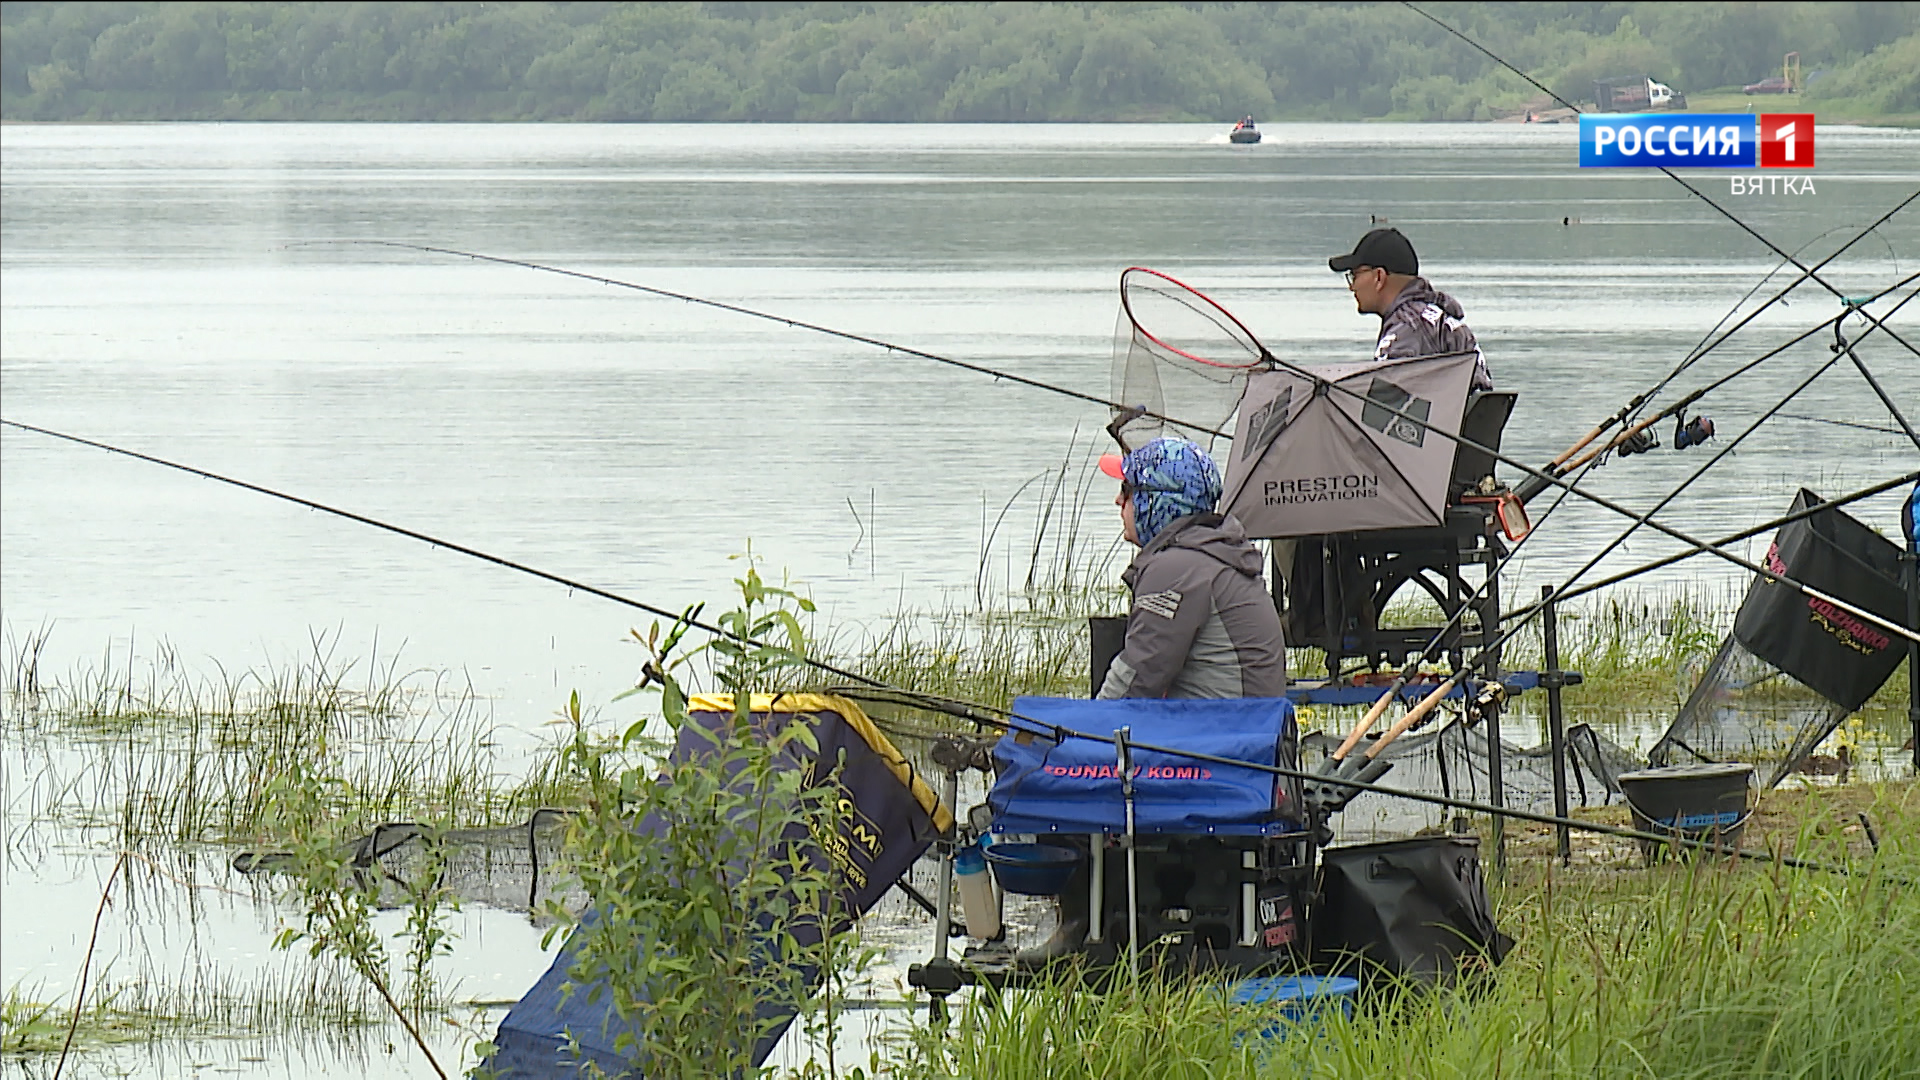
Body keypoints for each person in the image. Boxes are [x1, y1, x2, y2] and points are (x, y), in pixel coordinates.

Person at [1094, 437, 1287, 699]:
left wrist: (1082, 728)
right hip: (1244, 727)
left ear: (1155, 502)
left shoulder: (1176, 568)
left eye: (1127, 490)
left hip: (1220, 733)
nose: (1118, 500)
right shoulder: (1208, 553)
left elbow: (1135, 681)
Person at [1329, 226, 1491, 391]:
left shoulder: (1404, 329)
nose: (1352, 287)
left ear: (1379, 276)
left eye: (1355, 276)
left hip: (1438, 417)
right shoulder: (1442, 317)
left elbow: (1382, 407)